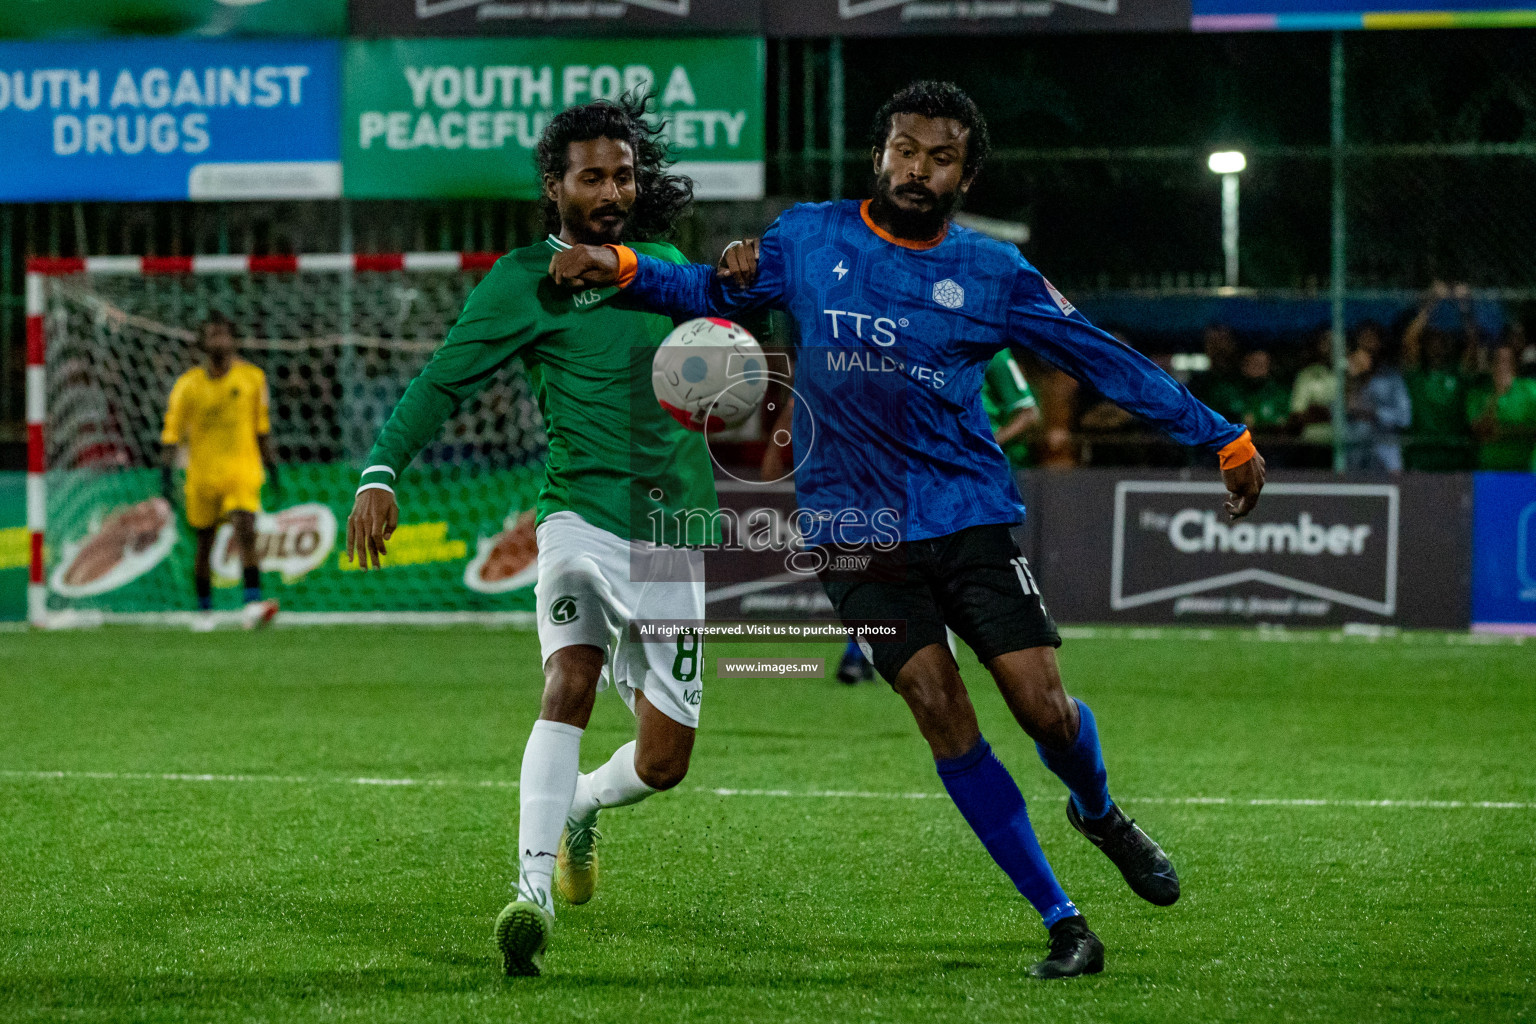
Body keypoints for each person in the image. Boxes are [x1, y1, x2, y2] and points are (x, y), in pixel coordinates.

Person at [549, 80, 1265, 979]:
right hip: (855, 534)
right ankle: (1063, 919)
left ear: (965, 175)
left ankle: (1098, 809)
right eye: (904, 150)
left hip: (966, 518)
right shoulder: (810, 237)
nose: (917, 169)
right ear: (879, 154)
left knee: (1043, 708)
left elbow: (1102, 358)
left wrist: (1224, 435)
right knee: (940, 708)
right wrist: (620, 268)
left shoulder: (995, 274)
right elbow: (707, 289)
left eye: (940, 158)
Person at [345, 98, 715, 978]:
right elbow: (443, 382)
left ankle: (580, 807)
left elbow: (736, 341)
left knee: (665, 763)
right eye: (591, 175)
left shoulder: (662, 270)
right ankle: (531, 891)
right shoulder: (524, 280)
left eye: (624, 174)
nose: (612, 189)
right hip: (576, 518)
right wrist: (379, 472)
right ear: (555, 187)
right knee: (571, 677)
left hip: (672, 530)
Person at [159, 312, 280, 631]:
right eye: (212, 335)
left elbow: (262, 429)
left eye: (224, 334)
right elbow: (171, 436)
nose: (219, 341)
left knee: (246, 530)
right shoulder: (187, 387)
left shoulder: (253, 378)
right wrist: (166, 477)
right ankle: (204, 612)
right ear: (202, 343)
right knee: (204, 543)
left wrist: (274, 469)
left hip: (242, 470)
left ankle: (252, 605)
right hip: (201, 474)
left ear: (234, 340)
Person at [1344, 333, 1412, 472]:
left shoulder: (1392, 379)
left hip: (1387, 454)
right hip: (1354, 458)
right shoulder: (1346, 381)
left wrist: (1374, 413)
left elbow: (1405, 418)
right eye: (1363, 347)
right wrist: (1352, 379)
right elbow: (1340, 412)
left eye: (1372, 344)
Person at [1466, 342, 1536, 471]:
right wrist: (1497, 394)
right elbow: (1481, 431)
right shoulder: (1478, 393)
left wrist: (1505, 432)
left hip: (1526, 471)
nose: (1501, 367)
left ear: (1515, 366)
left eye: (1506, 362)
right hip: (1490, 470)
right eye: (1497, 361)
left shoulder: (1531, 390)